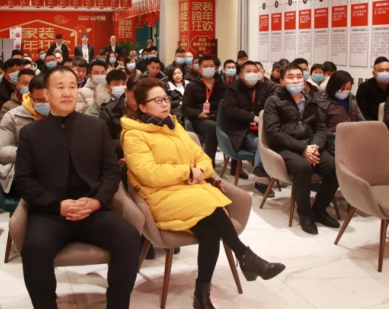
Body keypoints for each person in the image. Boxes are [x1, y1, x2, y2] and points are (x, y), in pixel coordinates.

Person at [121, 78, 285, 309]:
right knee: (211, 204)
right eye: (157, 100)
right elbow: (149, 173)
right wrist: (187, 172)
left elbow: (201, 157)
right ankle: (245, 256)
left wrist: (200, 171)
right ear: (141, 106)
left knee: (210, 231)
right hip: (160, 195)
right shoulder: (134, 134)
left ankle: (202, 293)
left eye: (166, 98)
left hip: (189, 190)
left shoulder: (173, 125)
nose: (165, 104)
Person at [15, 66, 140, 309]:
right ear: (46, 94)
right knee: (34, 249)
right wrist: (57, 206)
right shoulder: (31, 133)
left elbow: (111, 171)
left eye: (72, 86)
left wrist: (97, 201)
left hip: (92, 209)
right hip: (51, 213)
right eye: (60, 87)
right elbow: (24, 181)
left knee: (129, 237)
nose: (67, 92)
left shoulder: (95, 127)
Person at [264, 63, 340, 235]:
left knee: (334, 167)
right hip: (286, 147)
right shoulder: (274, 101)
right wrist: (303, 148)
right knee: (303, 167)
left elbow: (320, 128)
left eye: (299, 77)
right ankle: (304, 213)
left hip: (311, 145)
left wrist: (314, 147)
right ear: (282, 81)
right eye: (290, 77)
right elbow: (273, 132)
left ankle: (319, 210)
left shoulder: (311, 100)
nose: (295, 80)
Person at [223, 61, 275, 194]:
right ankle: (261, 181)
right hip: (241, 131)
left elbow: (270, 107)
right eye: (248, 71)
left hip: (261, 128)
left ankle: (264, 172)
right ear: (241, 75)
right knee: (262, 145)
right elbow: (230, 110)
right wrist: (252, 118)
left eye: (255, 71)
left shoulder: (264, 88)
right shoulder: (233, 88)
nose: (253, 74)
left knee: (274, 142)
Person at [0, 75, 48, 196]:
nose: (44, 104)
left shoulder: (62, 114)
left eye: (47, 100)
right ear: (30, 96)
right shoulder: (13, 116)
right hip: (23, 168)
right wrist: (31, 153)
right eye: (39, 101)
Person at [182, 56, 226, 168]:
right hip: (201, 119)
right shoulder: (192, 86)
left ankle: (236, 165)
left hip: (219, 117)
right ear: (200, 69)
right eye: (205, 66)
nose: (209, 68)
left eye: (211, 66)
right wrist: (198, 114)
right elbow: (185, 107)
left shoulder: (222, 85)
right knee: (212, 127)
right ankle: (209, 164)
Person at [100, 75, 139, 159]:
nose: (139, 103)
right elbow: (102, 143)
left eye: (143, 99)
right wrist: (128, 142)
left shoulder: (150, 107)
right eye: (135, 98)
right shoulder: (109, 110)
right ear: (126, 91)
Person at [356, 56, 389, 121]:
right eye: (380, 70)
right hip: (370, 124)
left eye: (388, 70)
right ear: (374, 73)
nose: (385, 73)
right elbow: (363, 113)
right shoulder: (364, 88)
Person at [0, 58, 23, 131]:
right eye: (13, 71)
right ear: (6, 75)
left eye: (20, 70)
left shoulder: (30, 88)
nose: (17, 73)